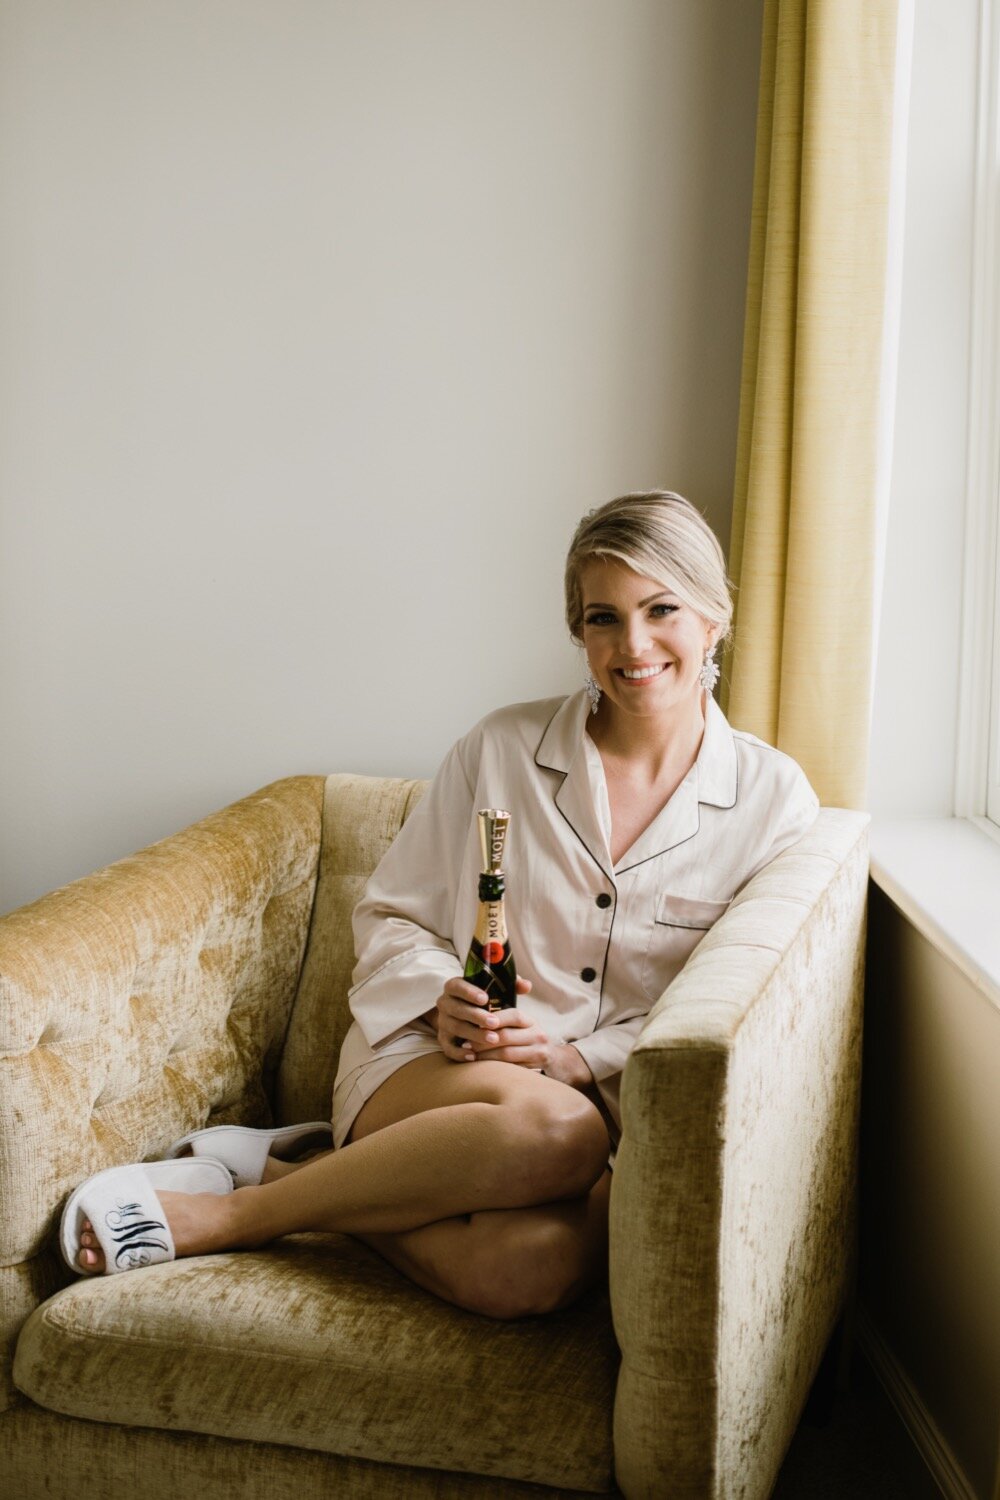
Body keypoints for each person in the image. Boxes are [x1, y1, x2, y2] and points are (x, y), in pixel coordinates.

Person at [64, 491, 818, 1318]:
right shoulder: (501, 749)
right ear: (578, 632)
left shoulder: (771, 801)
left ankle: (286, 1174)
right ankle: (234, 1216)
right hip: (434, 1066)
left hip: (609, 1101)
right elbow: (392, 916)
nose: (633, 645)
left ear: (714, 618)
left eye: (661, 608)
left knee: (530, 1270)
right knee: (560, 1132)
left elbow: (747, 1004)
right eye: (604, 617)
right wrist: (440, 997)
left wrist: (579, 1060)